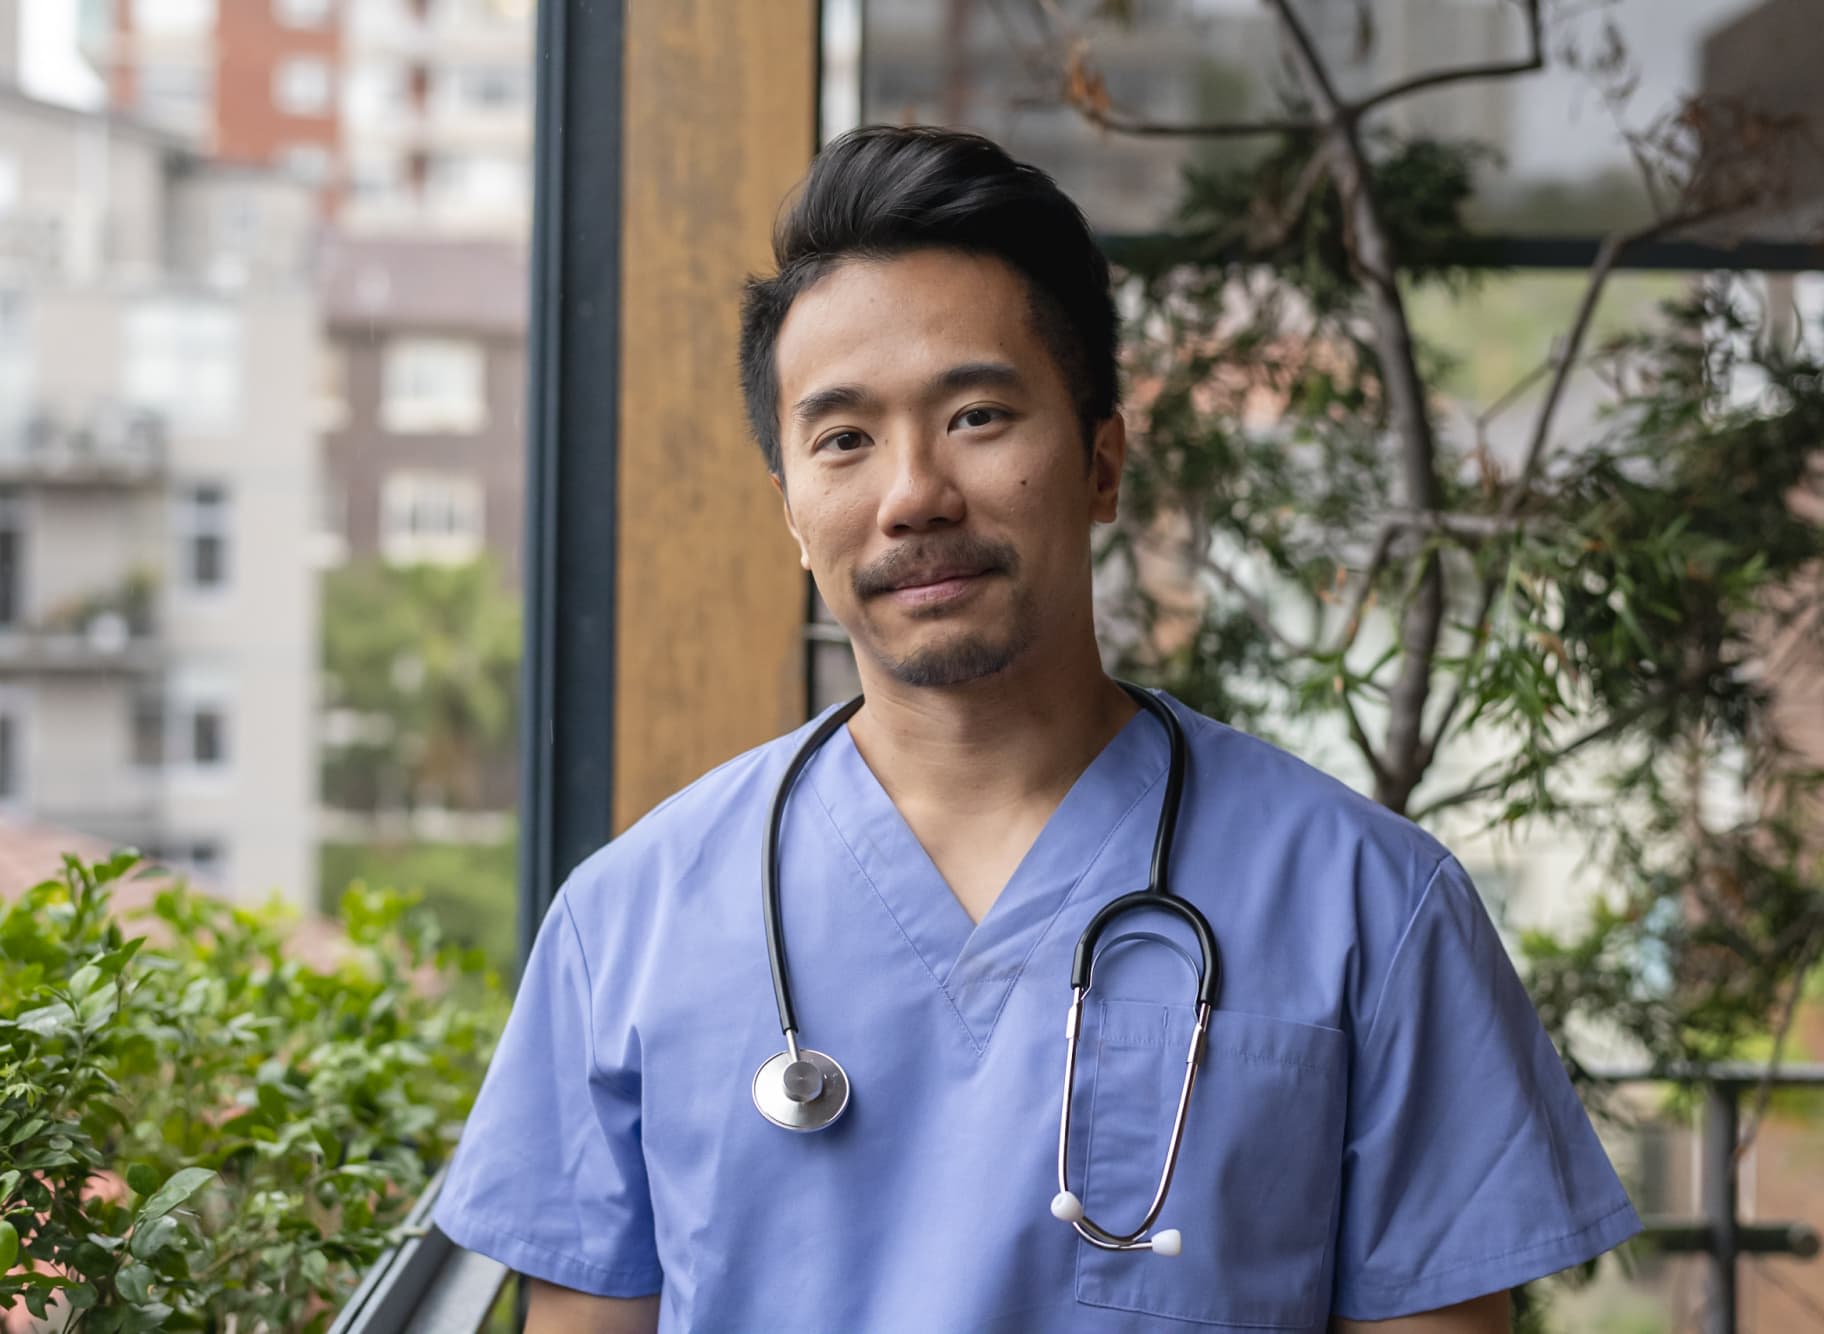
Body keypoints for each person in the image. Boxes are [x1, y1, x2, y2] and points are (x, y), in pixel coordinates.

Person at [434, 125, 1641, 1333]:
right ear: (793, 513)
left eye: (974, 414)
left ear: (1102, 463)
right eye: (843, 438)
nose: (912, 495)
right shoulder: (627, 922)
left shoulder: (1368, 907)